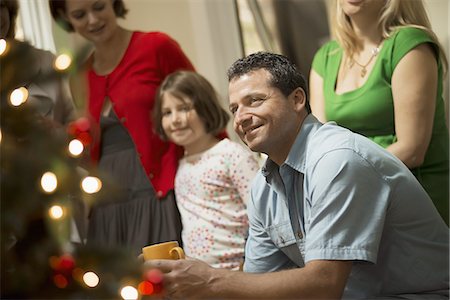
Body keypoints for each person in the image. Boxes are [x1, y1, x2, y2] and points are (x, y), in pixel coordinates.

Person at [144, 52, 449, 299]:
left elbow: (324, 284)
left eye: (255, 100)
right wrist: (190, 285)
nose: (241, 118)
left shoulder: (337, 159)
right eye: (235, 108)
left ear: (297, 99)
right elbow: (256, 283)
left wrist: (211, 280)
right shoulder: (263, 188)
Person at [49, 0, 195, 254]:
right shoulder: (79, 76)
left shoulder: (157, 47)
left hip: (159, 194)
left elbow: (201, 110)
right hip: (107, 207)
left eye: (98, 7)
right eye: (80, 14)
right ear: (65, 17)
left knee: (169, 282)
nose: (93, 20)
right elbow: (90, 151)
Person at [309, 0, 449, 224]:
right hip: (356, 196)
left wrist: (343, 180)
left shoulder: (410, 44)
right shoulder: (325, 57)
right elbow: (321, 143)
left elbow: (412, 150)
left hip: (415, 196)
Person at [153, 71, 259, 269]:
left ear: (205, 109)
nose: (175, 119)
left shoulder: (232, 155)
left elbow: (261, 215)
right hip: (199, 278)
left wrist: (250, 263)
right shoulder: (180, 165)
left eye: (184, 109)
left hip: (238, 271)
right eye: (167, 112)